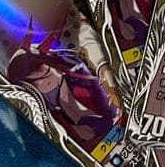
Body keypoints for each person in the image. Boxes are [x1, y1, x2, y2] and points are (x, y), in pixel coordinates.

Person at [6, 21, 119, 151]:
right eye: (35, 83)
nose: (42, 82)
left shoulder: (77, 73)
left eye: (40, 70)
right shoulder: (47, 108)